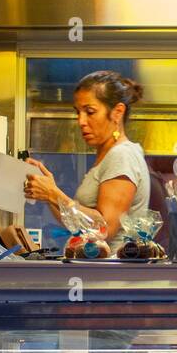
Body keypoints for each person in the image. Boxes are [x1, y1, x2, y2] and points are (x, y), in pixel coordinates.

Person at [24, 70, 150, 252]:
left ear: (117, 112)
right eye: (78, 112)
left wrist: (53, 194)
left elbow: (104, 229)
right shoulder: (108, 156)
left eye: (90, 112)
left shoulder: (121, 156)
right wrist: (47, 193)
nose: (81, 121)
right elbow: (78, 223)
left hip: (113, 276)